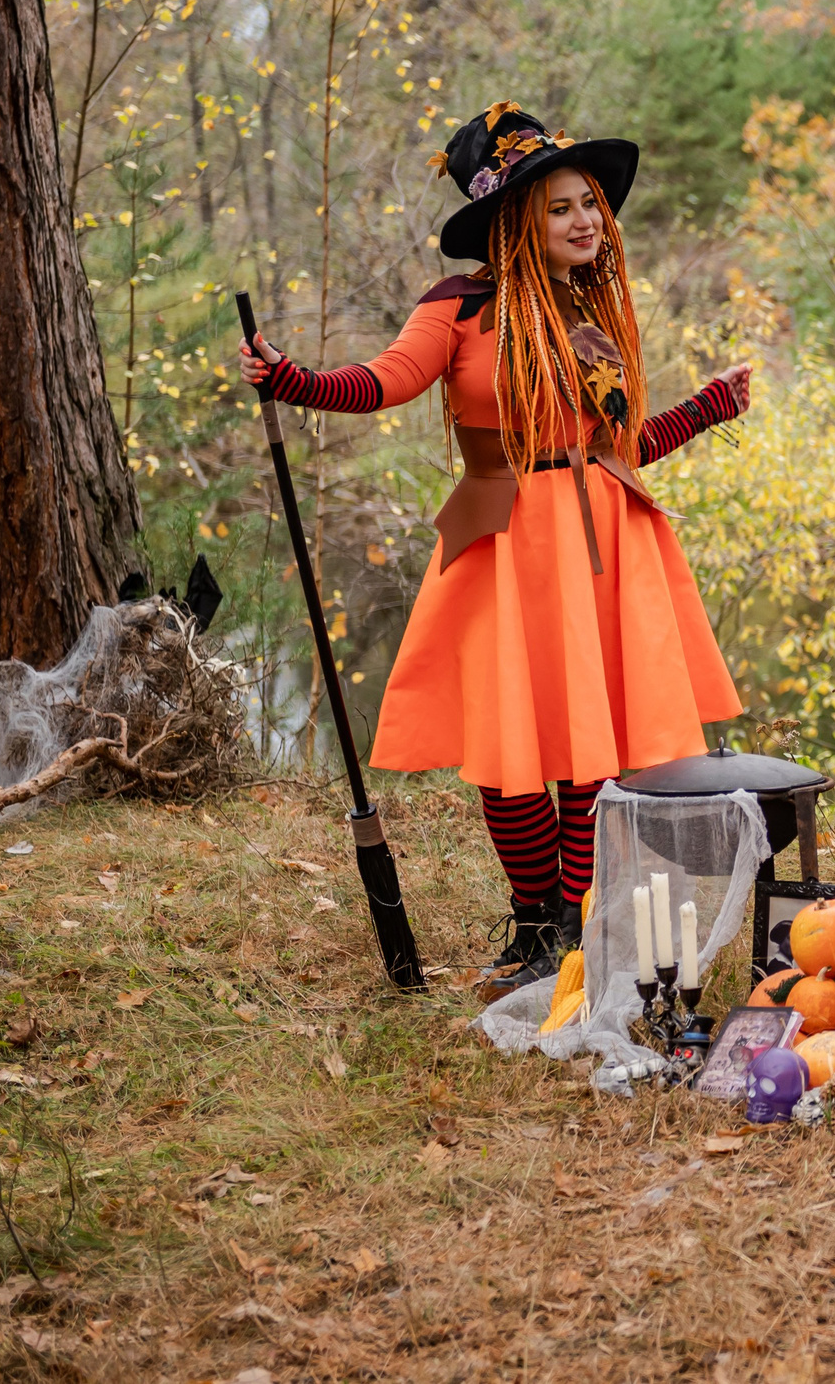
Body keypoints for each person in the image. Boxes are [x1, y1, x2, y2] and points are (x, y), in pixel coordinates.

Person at [240, 102, 751, 988]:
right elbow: (383, 382)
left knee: (591, 748)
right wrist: (295, 380)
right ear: (517, 218)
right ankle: (536, 920)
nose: (586, 220)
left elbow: (610, 445)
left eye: (589, 202)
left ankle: (584, 925)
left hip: (599, 541)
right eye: (561, 207)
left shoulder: (591, 312)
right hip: (505, 539)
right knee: (512, 748)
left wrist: (705, 407)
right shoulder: (458, 308)